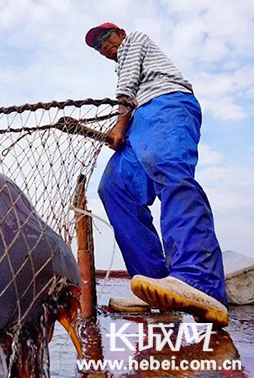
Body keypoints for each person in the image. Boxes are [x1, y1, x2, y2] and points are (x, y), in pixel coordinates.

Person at [85, 22, 229, 327]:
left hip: (168, 104)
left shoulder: (134, 41)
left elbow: (126, 85)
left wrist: (119, 126)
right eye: (97, 46)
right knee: (113, 188)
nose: (103, 46)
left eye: (105, 38)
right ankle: (152, 282)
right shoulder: (123, 72)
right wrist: (125, 126)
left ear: (120, 33)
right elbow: (128, 95)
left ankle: (199, 280)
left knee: (171, 174)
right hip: (139, 119)